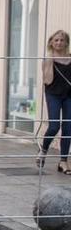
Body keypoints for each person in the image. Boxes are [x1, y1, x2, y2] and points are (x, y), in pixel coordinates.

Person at [38, 30, 71, 173]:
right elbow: (47, 80)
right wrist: (50, 60)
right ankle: (43, 150)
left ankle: (63, 161)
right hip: (53, 95)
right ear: (51, 42)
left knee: (68, 128)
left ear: (67, 43)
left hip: (69, 96)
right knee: (54, 126)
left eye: (62, 40)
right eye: (56, 40)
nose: (59, 43)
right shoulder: (47, 59)